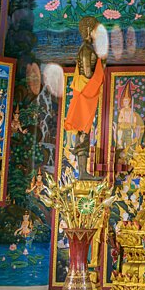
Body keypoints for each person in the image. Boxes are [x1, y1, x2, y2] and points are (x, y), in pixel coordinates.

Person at [64, 16, 106, 179]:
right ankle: (82, 172)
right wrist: (102, 64)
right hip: (86, 94)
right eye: (96, 29)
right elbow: (88, 74)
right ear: (89, 31)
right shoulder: (87, 49)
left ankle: (83, 171)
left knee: (84, 130)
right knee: (83, 130)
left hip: (87, 93)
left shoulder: (89, 48)